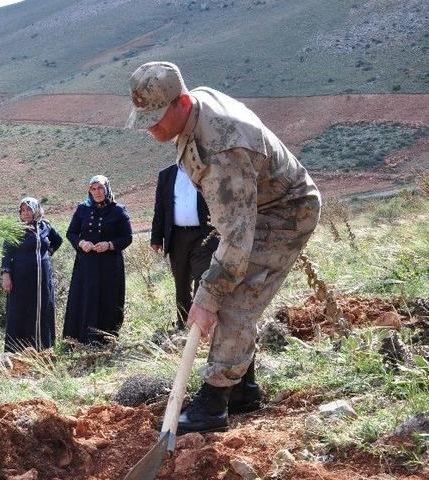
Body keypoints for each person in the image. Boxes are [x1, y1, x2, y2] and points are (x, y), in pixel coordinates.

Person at [127, 61, 320, 432]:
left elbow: (236, 242)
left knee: (231, 298)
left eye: (155, 117)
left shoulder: (222, 151)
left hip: (284, 212)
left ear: (181, 103)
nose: (149, 127)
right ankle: (242, 390)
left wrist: (207, 298)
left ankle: (213, 404)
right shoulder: (193, 111)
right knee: (222, 286)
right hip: (253, 210)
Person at [63, 175, 133, 345]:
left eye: (100, 188)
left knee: (107, 298)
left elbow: (127, 237)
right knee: (85, 297)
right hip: (86, 265)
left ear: (107, 188)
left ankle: (105, 339)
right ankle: (78, 340)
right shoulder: (82, 209)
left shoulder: (118, 210)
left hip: (110, 265)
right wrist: (81, 243)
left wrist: (109, 244)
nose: (97, 192)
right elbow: (71, 233)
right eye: (93, 189)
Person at [151, 163, 219, 330]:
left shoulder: (206, 170)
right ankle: (183, 324)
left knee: (202, 277)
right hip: (176, 236)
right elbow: (160, 208)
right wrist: (156, 237)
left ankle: (200, 326)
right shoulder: (166, 174)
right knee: (181, 282)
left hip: (203, 235)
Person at [0, 197, 63, 352]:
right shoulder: (15, 229)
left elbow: (58, 240)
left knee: (42, 310)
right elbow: (6, 254)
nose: (26, 213)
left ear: (36, 210)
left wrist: (47, 254)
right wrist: (6, 275)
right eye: (23, 210)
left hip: (42, 279)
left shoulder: (45, 226)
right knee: (19, 311)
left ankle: (43, 349)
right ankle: (16, 351)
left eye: (29, 209)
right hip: (20, 279)